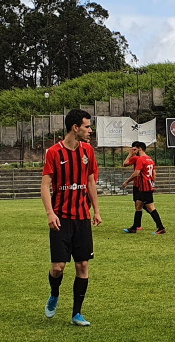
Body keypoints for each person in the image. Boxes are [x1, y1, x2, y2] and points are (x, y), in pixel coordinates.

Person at [42, 109, 102, 326]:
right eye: (87, 126)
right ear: (75, 127)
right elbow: (45, 185)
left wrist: (95, 210)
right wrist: (50, 213)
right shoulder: (54, 153)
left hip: (81, 218)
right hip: (61, 218)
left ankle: (77, 313)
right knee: (58, 267)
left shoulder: (88, 151)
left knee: (83, 265)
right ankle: (55, 293)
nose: (90, 131)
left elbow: (90, 182)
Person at [122, 141, 166, 234]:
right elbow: (154, 174)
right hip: (145, 186)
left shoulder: (141, 159)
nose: (135, 151)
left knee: (150, 207)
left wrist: (127, 181)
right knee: (138, 205)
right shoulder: (149, 159)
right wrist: (151, 182)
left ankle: (161, 228)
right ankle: (134, 227)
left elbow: (136, 173)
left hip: (145, 187)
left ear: (140, 149)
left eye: (135, 149)